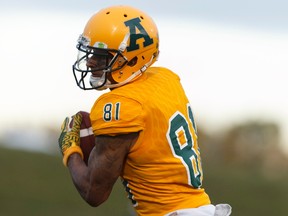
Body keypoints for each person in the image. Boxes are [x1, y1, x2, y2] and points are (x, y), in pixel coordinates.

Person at [58, 5, 232, 216]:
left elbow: (94, 192)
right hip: (199, 208)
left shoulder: (121, 105)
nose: (90, 61)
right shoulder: (165, 79)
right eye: (91, 51)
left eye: (102, 55)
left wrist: (71, 150)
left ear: (132, 59)